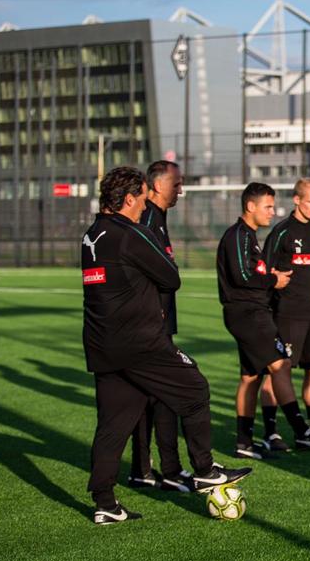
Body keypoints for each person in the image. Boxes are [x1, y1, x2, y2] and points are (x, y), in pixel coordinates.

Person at [82, 166, 249, 525]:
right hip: (140, 342)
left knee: (114, 423)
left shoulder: (92, 234)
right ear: (128, 199)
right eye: (142, 199)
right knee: (195, 388)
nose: (145, 206)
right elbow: (171, 278)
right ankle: (204, 469)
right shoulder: (132, 233)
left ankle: (105, 503)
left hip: (102, 344)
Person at [215, 182, 310, 459]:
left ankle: (243, 442)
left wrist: (269, 275)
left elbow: (252, 272)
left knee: (250, 377)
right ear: (251, 207)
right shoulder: (237, 235)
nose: (272, 212)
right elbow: (243, 276)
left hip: (254, 313)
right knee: (281, 364)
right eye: (268, 206)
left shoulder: (249, 236)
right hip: (247, 314)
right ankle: (301, 429)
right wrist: (274, 279)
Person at [127, 160, 191, 493]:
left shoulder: (158, 218)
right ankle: (168, 470)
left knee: (150, 397)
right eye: (176, 184)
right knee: (165, 394)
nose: (180, 189)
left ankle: (145, 469)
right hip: (152, 326)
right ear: (156, 186)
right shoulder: (148, 217)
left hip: (158, 323)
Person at [258, 178, 310, 452]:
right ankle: (271, 432)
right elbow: (265, 270)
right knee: (278, 371)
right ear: (297, 200)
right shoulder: (281, 232)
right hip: (287, 313)